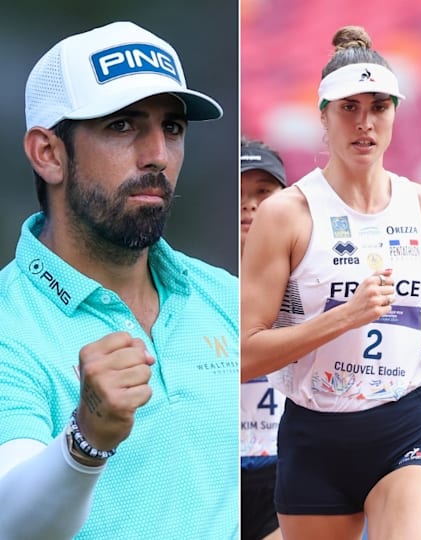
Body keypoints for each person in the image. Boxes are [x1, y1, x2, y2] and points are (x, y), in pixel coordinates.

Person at [239, 25, 421, 540]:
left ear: (396, 113)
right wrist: (344, 316)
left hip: (409, 423)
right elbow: (245, 353)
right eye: (348, 107)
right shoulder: (285, 214)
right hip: (315, 434)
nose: (365, 123)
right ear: (322, 116)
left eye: (379, 106)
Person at [0, 21, 237, 539]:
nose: (157, 154)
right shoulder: (7, 325)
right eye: (123, 126)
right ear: (48, 153)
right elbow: (10, 522)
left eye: (172, 128)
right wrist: (86, 441)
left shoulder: (227, 298)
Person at [240, 137, 287, 540]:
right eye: (238, 193)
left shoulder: (312, 280)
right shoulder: (185, 286)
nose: (250, 205)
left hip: (284, 468)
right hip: (212, 469)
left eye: (263, 193)